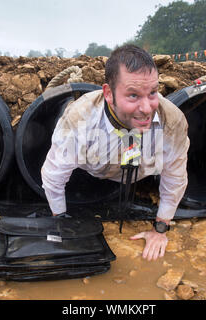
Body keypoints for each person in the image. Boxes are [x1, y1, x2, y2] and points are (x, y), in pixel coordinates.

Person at [41, 45, 190, 261]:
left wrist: (160, 228)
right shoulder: (80, 118)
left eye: (152, 93)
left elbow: (175, 177)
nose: (147, 108)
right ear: (109, 94)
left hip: (138, 174)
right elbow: (53, 175)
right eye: (133, 95)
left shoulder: (172, 121)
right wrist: (62, 221)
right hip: (90, 171)